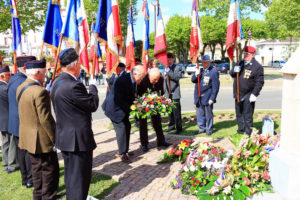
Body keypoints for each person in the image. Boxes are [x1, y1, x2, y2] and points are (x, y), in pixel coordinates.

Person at [50, 48, 99, 200]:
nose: (80, 66)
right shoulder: (73, 85)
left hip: (65, 137)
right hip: (77, 140)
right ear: (75, 64)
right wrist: (93, 87)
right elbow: (92, 104)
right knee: (80, 179)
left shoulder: (57, 81)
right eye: (79, 63)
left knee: (72, 177)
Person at [17, 59, 59, 200]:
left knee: (37, 172)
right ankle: (48, 197)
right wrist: (55, 139)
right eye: (44, 72)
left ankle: (38, 196)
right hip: (42, 140)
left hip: (28, 137)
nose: (45, 74)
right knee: (49, 173)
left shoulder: (21, 86)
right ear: (37, 73)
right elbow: (45, 119)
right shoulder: (40, 91)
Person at [8, 56, 36, 187]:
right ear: (25, 67)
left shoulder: (14, 78)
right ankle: (30, 179)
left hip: (15, 120)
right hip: (23, 120)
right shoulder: (23, 81)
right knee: (27, 152)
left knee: (22, 151)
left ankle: (25, 178)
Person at [113, 64, 145, 162]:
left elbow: (130, 96)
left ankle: (124, 150)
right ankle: (122, 153)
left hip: (124, 108)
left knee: (127, 126)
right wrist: (132, 110)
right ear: (135, 74)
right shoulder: (122, 80)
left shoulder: (133, 80)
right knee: (122, 129)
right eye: (141, 77)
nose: (142, 79)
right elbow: (119, 100)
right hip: (115, 109)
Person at [229, 46, 264, 136]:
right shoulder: (240, 63)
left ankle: (248, 133)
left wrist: (254, 94)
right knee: (239, 114)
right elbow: (232, 74)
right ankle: (241, 131)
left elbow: (259, 82)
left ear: (253, 55)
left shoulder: (257, 67)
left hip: (249, 94)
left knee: (247, 116)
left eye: (247, 54)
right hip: (238, 93)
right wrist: (235, 70)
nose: (245, 55)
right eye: (244, 53)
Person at [137, 68, 172, 152]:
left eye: (157, 79)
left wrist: (158, 99)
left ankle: (161, 141)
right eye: (154, 79)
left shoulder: (160, 79)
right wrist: (146, 100)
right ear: (149, 76)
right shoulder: (142, 80)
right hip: (143, 101)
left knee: (157, 120)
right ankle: (144, 143)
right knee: (143, 123)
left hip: (154, 101)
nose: (156, 81)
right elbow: (138, 93)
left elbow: (161, 91)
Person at [192, 55, 220, 135]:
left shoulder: (213, 71)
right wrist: (195, 74)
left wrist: (212, 98)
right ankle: (201, 128)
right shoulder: (200, 70)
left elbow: (216, 86)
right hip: (198, 96)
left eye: (206, 62)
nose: (204, 64)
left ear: (209, 62)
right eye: (203, 62)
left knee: (208, 114)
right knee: (200, 114)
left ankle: (209, 129)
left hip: (207, 96)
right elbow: (193, 80)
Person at [164, 53, 183, 134]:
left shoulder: (177, 67)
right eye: (167, 59)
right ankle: (171, 126)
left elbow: (177, 77)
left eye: (169, 59)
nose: (168, 60)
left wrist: (169, 72)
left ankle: (179, 128)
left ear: (173, 59)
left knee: (176, 112)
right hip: (167, 94)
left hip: (174, 92)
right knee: (170, 112)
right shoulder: (165, 68)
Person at [0, 66, 13, 172]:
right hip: (8, 119)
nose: (10, 77)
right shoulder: (5, 88)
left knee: (5, 143)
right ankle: (11, 164)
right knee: (11, 143)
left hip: (2, 119)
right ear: (2, 76)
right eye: (8, 75)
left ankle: (5, 164)